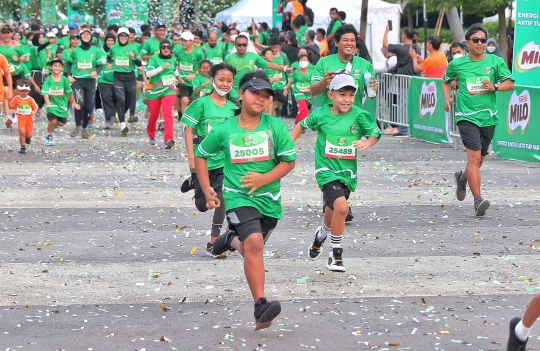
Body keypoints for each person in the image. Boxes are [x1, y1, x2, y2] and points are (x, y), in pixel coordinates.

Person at [195, 70, 296, 330]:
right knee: (254, 243)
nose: (261, 99)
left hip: (269, 201)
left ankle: (230, 239)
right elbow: (202, 154)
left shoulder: (275, 126)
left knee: (253, 247)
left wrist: (264, 179)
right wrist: (206, 188)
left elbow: (289, 161)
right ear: (241, 94)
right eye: (255, 93)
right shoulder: (225, 129)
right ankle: (260, 304)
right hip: (238, 198)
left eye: (266, 95)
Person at [291, 74, 381, 272]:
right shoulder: (321, 115)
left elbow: (375, 133)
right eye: (342, 94)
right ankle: (336, 254)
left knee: (333, 213)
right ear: (331, 95)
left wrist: (366, 142)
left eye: (350, 94)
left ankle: (321, 235)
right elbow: (301, 126)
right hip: (326, 170)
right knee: (342, 208)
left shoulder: (359, 115)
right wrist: (288, 147)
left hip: (347, 173)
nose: (347, 99)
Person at [442, 24, 514, 216]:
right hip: (466, 116)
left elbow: (510, 84)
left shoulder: (495, 61)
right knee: (473, 158)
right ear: (468, 43)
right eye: (476, 40)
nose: (481, 43)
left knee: (479, 160)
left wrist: (496, 86)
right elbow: (446, 80)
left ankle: (462, 177)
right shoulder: (457, 64)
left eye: (483, 40)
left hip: (488, 117)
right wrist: (447, 98)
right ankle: (478, 200)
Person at [180, 63, 237, 258]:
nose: (225, 84)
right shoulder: (201, 104)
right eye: (221, 80)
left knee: (220, 200)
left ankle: (214, 242)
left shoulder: (234, 108)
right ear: (212, 80)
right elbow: (188, 129)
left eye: (229, 80)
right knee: (203, 205)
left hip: (224, 161)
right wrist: (190, 157)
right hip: (202, 161)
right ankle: (192, 180)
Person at [310, 24, 378, 110]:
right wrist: (324, 81)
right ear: (336, 42)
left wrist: (373, 88)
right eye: (345, 40)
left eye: (352, 40)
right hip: (330, 118)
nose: (349, 43)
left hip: (353, 118)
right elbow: (312, 91)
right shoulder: (324, 62)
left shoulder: (365, 65)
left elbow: (372, 95)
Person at [225, 35, 293, 106]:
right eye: (239, 45)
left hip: (249, 90)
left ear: (247, 45)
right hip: (234, 92)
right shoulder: (229, 58)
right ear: (235, 45)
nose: (242, 47)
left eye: (244, 45)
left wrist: (285, 69)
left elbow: (268, 64)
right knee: (236, 113)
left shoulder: (253, 56)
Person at [383, 24, 421, 137]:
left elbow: (385, 45)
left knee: (402, 105)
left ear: (404, 35)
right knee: (411, 105)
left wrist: (386, 31)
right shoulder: (416, 48)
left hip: (403, 81)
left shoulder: (401, 48)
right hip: (414, 80)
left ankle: (403, 130)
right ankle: (410, 128)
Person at [145, 39, 181, 149]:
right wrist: (162, 68)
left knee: (168, 113)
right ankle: (151, 133)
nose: (166, 49)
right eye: (164, 47)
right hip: (155, 90)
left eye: (168, 47)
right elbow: (148, 73)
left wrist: (178, 77)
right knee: (154, 115)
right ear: (160, 48)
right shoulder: (154, 59)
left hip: (169, 89)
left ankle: (168, 139)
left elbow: (174, 70)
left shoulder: (173, 60)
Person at [67, 26, 102, 139]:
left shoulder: (95, 50)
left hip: (90, 81)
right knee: (79, 104)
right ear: (80, 37)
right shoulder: (75, 51)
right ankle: (77, 125)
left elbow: (100, 65)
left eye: (88, 34)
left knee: (88, 107)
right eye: (83, 34)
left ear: (91, 37)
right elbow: (68, 63)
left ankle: (84, 128)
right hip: (78, 81)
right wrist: (68, 75)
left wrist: (96, 71)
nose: (86, 36)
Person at [108, 27, 141, 136]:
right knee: (120, 100)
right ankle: (122, 124)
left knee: (127, 100)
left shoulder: (133, 48)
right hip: (118, 77)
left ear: (128, 37)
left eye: (125, 36)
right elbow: (109, 56)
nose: (123, 37)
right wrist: (109, 63)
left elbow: (139, 63)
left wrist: (134, 58)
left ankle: (121, 114)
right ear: (118, 37)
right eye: (121, 35)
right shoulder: (113, 48)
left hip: (130, 77)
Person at [42, 58, 80, 145]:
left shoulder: (64, 79)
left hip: (62, 105)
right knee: (53, 120)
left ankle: (54, 126)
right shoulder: (48, 79)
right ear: (51, 67)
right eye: (55, 66)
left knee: (61, 123)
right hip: (52, 104)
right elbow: (45, 92)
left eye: (59, 66)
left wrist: (73, 102)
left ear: (62, 68)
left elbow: (69, 92)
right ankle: (49, 136)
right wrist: (47, 103)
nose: (57, 68)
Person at [174, 31, 203, 118]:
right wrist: (176, 76)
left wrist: (194, 75)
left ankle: (186, 117)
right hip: (183, 81)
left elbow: (203, 67)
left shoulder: (198, 53)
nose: (183, 43)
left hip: (195, 82)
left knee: (192, 102)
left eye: (185, 41)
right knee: (184, 101)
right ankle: (186, 124)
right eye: (182, 40)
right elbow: (177, 64)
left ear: (192, 41)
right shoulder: (178, 51)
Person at [10, 79, 38, 154]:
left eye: (25, 91)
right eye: (21, 91)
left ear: (28, 91)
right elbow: (12, 106)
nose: (23, 93)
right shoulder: (16, 98)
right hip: (20, 118)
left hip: (29, 118)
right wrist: (9, 100)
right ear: (18, 91)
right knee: (22, 132)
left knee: (29, 134)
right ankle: (22, 147)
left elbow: (35, 107)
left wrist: (34, 112)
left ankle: (28, 138)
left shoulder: (30, 99)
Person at [262, 48, 290, 116]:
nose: (270, 55)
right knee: (271, 101)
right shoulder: (263, 66)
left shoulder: (274, 65)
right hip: (268, 87)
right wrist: (273, 79)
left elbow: (283, 70)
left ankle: (275, 109)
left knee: (283, 100)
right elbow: (264, 78)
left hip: (279, 85)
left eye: (271, 54)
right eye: (268, 54)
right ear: (264, 56)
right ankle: (270, 116)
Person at [98, 33, 117, 129]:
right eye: (108, 40)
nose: (110, 42)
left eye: (112, 41)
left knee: (116, 98)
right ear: (105, 41)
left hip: (116, 78)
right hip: (102, 79)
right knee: (106, 99)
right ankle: (108, 119)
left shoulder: (118, 51)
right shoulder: (99, 51)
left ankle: (114, 113)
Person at [292, 54, 313, 124]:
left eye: (304, 60)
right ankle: (302, 125)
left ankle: (297, 124)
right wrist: (288, 87)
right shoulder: (296, 73)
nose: (302, 61)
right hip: (298, 92)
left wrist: (310, 89)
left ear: (308, 62)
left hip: (308, 93)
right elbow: (292, 81)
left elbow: (314, 82)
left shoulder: (312, 72)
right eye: (301, 60)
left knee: (302, 110)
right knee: (304, 109)